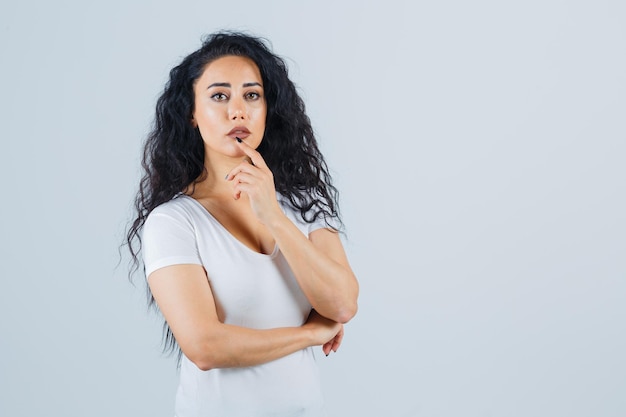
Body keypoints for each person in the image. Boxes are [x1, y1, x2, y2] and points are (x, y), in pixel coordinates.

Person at [124, 31, 359, 416]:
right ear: (192, 114)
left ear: (268, 109)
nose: (239, 111)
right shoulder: (173, 221)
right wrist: (311, 334)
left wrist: (273, 216)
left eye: (252, 95)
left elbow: (342, 303)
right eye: (219, 96)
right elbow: (205, 346)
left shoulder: (304, 205)